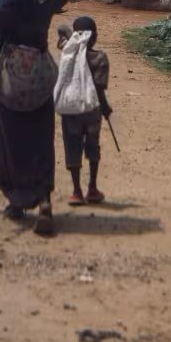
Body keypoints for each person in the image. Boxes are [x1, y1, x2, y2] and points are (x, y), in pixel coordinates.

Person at [0, 0, 79, 236]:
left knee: (11, 142)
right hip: (40, 85)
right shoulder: (43, 9)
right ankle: (44, 202)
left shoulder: (4, 14)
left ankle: (17, 202)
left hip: (10, 87)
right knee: (41, 140)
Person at [56, 16, 112, 207]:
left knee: (72, 146)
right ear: (94, 37)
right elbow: (98, 88)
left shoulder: (67, 55)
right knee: (92, 146)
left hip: (70, 110)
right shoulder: (100, 58)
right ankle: (92, 188)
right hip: (91, 110)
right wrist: (105, 107)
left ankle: (76, 191)